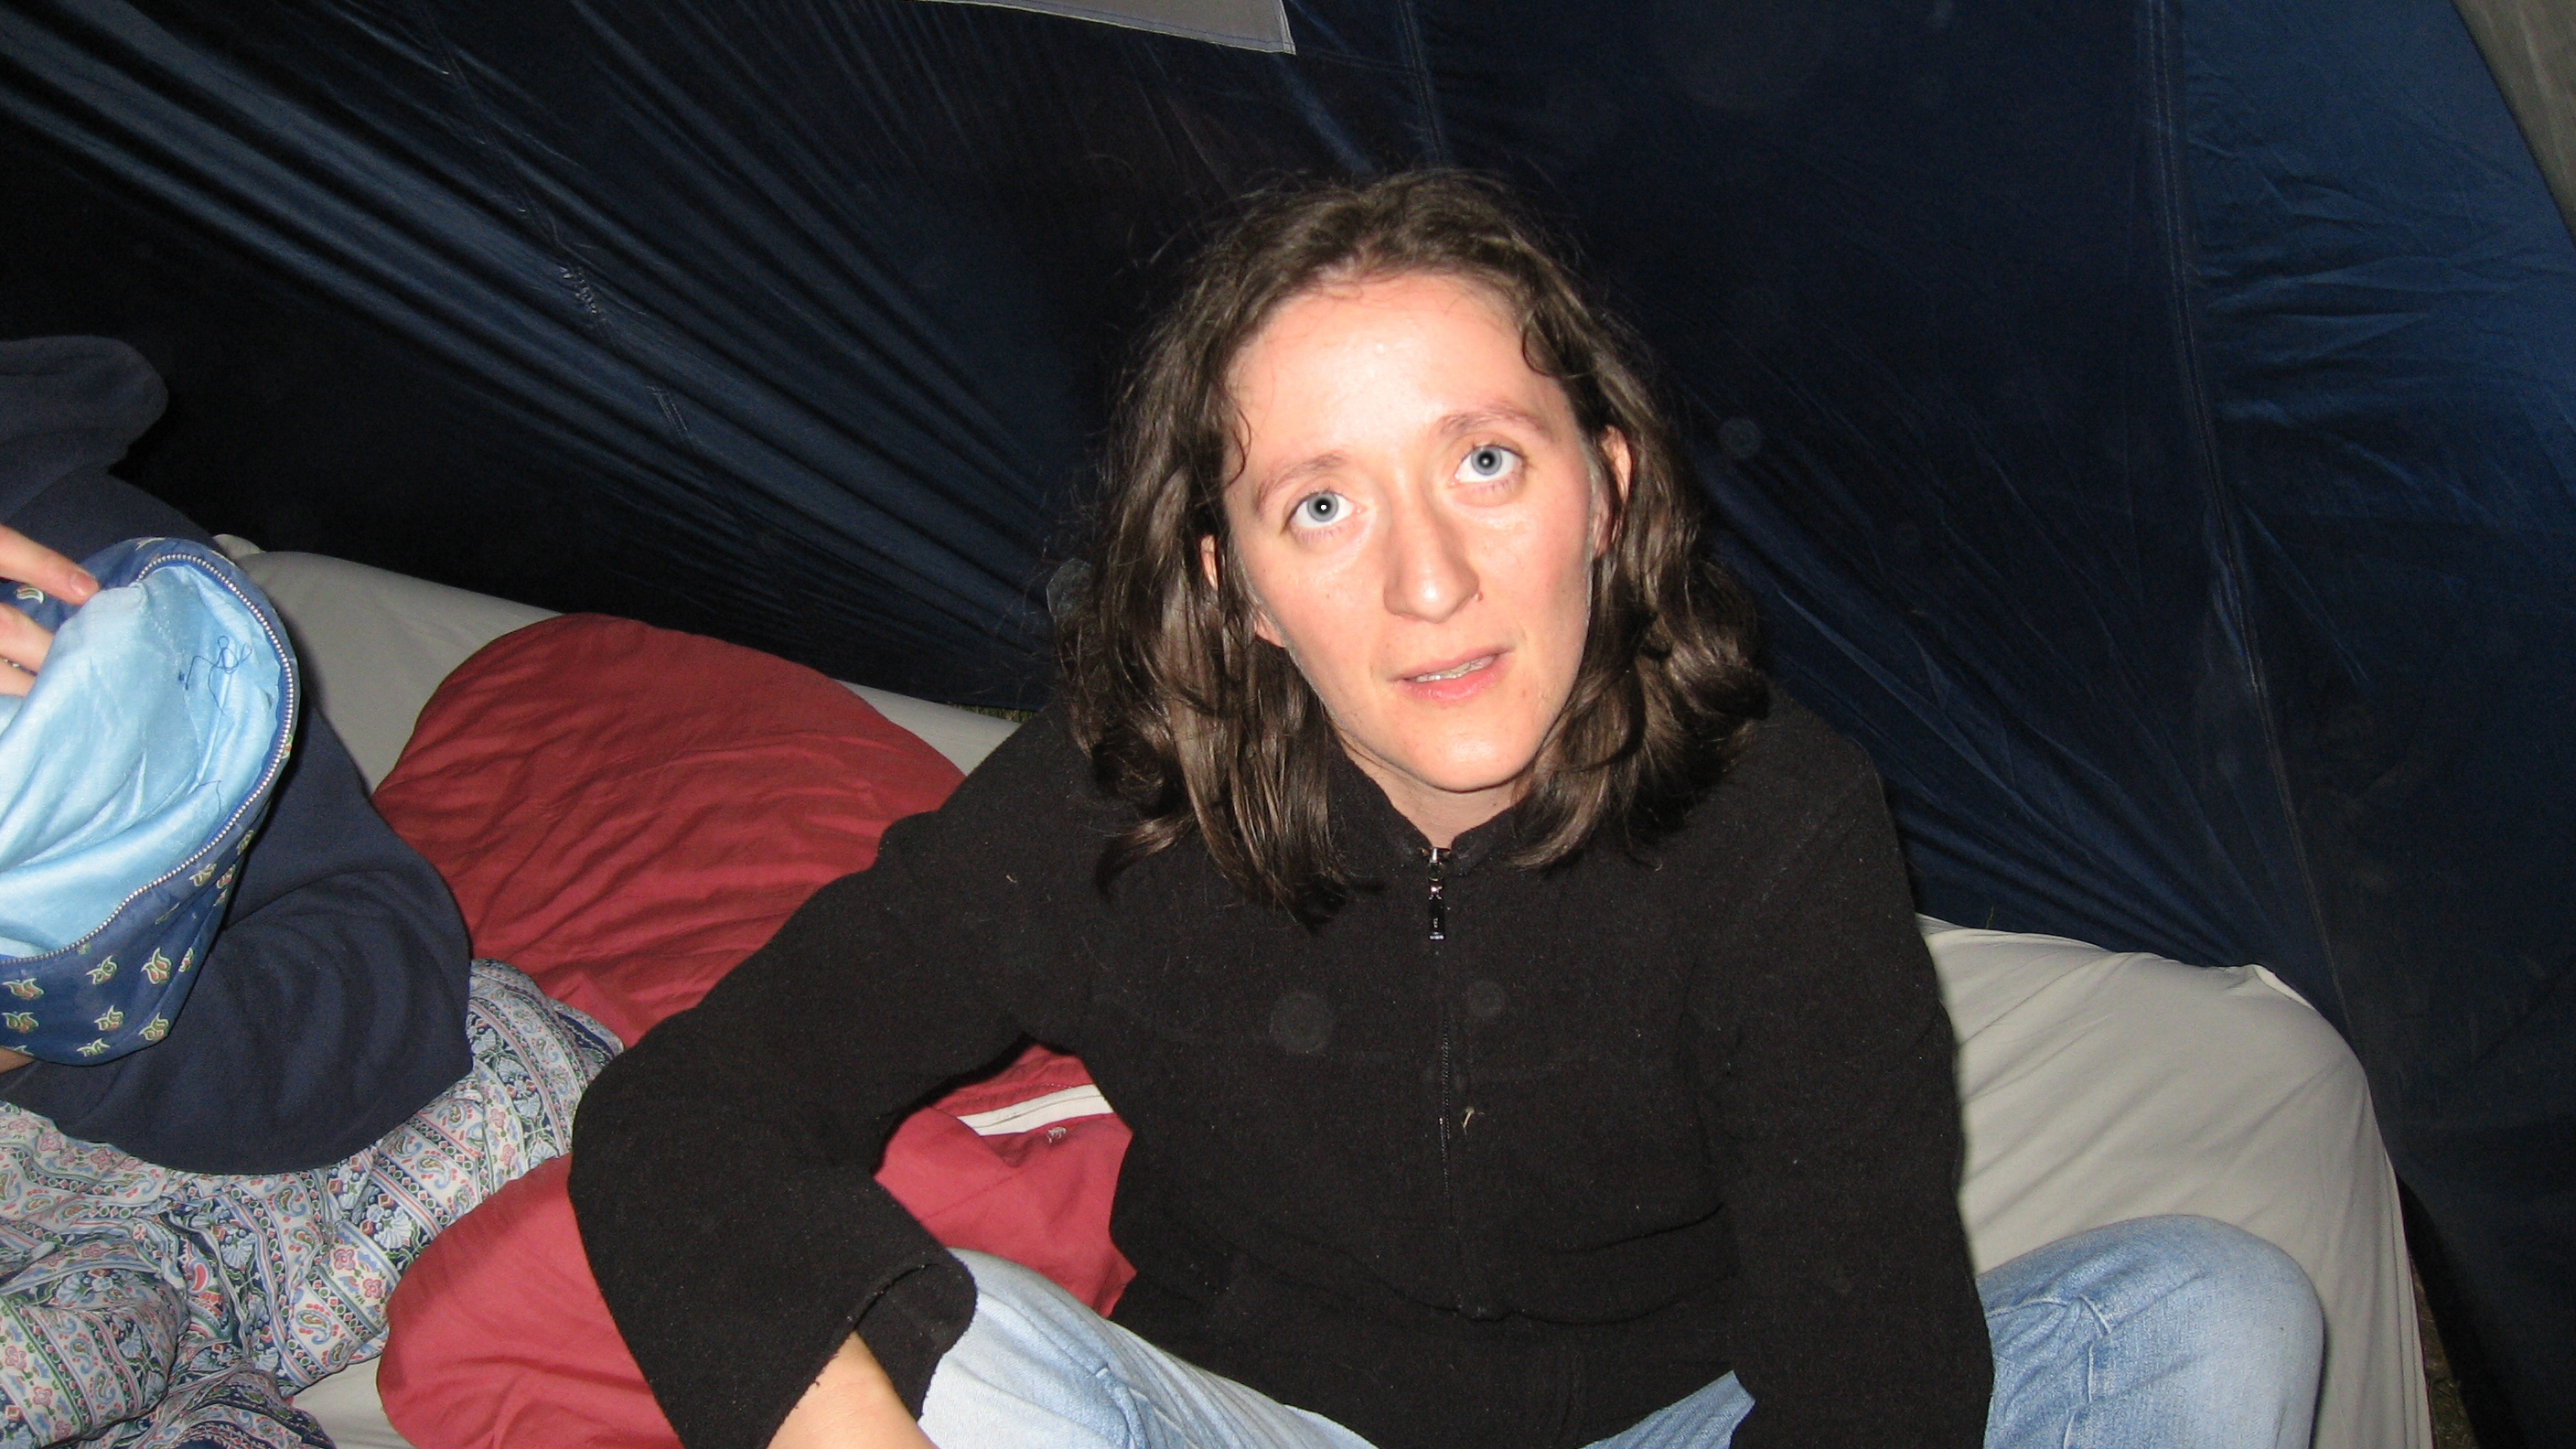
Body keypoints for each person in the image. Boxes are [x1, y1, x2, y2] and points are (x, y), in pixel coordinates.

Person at [569, 174, 2323, 1449]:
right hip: (1254, 1427)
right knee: (955, 1357)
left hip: (1680, 1426)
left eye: (1485, 460)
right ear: (1240, 587)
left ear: (1606, 491)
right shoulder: (1118, 804)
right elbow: (680, 1118)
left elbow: (1874, 1373)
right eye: (1321, 506)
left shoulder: (1776, 825)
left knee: (2216, 1317)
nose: (1429, 583)